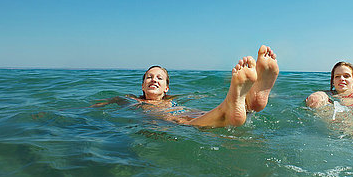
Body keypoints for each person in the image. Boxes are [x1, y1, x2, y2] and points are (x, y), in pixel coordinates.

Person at [94, 45, 279, 128]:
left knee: (194, 116)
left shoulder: (173, 100)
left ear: (166, 88)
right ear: (142, 86)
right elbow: (109, 102)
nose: (154, 80)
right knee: (180, 121)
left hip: (186, 112)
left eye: (159, 78)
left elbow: (197, 96)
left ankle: (247, 102)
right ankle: (240, 104)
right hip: (169, 118)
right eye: (149, 77)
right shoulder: (131, 100)